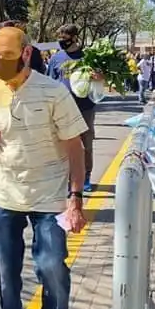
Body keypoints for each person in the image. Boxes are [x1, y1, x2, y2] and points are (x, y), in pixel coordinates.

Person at [0, 26, 88, 309]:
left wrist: (76, 197)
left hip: (50, 197)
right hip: (4, 197)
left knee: (51, 266)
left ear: (25, 54)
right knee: (7, 272)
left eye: (5, 56)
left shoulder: (54, 93)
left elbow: (75, 147)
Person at [46, 24, 96, 192]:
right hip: (62, 109)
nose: (62, 43)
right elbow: (50, 82)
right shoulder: (56, 58)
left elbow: (100, 79)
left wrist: (97, 76)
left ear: (75, 38)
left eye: (65, 39)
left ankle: (86, 177)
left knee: (85, 144)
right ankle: (69, 180)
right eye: (59, 39)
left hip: (85, 107)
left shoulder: (87, 57)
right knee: (63, 145)